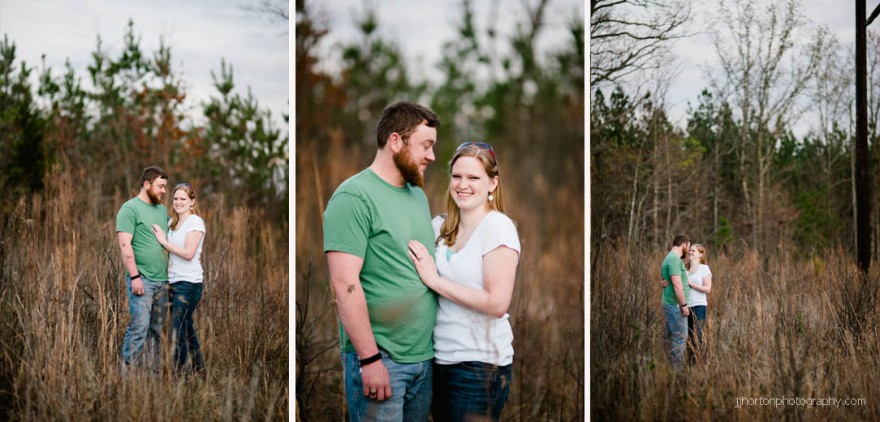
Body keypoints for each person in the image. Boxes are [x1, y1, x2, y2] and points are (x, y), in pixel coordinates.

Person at [323, 101, 440, 421]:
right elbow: (344, 284)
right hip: (382, 360)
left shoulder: (417, 195)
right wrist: (370, 360)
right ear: (396, 141)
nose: (432, 156)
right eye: (426, 146)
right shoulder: (353, 197)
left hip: (423, 360)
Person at [407, 141, 521, 422]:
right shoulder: (438, 227)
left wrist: (435, 281)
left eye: (473, 178)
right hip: (438, 360)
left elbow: (497, 303)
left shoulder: (497, 227)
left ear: (493, 183)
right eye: (457, 176)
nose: (463, 185)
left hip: (479, 365)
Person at [116, 166, 170, 372]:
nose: (164, 191)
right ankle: (126, 377)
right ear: (147, 184)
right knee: (139, 328)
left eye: (165, 187)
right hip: (142, 279)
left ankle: (151, 379)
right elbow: (125, 245)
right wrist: (135, 277)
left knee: (156, 331)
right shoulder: (130, 209)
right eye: (160, 186)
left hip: (162, 281)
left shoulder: (162, 210)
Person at [151, 182, 207, 377]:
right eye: (175, 198)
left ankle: (181, 377)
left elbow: (189, 253)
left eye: (183, 198)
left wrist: (164, 242)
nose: (178, 202)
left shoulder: (195, 222)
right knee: (186, 328)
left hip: (189, 283)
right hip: (172, 282)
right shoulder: (171, 224)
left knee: (177, 330)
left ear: (192, 201)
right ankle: (200, 373)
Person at [660, 234, 690, 372]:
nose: (688, 250)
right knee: (680, 338)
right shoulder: (673, 259)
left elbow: (668, 280)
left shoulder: (670, 258)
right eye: (688, 247)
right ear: (684, 245)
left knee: (669, 338)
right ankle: (676, 373)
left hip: (671, 303)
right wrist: (683, 305)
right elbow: (677, 284)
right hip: (675, 305)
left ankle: (666, 370)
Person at [685, 243, 712, 363]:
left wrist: (691, 283)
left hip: (699, 306)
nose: (690, 252)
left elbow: (708, 289)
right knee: (688, 336)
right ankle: (690, 364)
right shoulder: (684, 269)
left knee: (697, 335)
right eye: (690, 250)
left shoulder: (704, 268)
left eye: (693, 251)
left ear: (700, 254)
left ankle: (699, 363)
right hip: (685, 306)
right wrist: (665, 283)